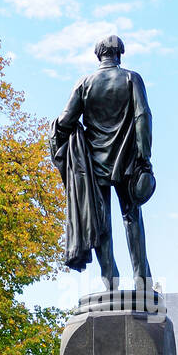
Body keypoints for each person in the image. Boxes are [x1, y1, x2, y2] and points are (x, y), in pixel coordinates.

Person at [51, 34, 154, 289]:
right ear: (119, 53)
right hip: (127, 161)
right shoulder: (132, 78)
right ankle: (142, 281)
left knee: (101, 219)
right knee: (132, 218)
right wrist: (145, 157)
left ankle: (110, 279)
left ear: (99, 55)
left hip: (94, 163)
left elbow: (65, 121)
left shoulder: (84, 83)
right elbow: (143, 117)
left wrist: (65, 140)